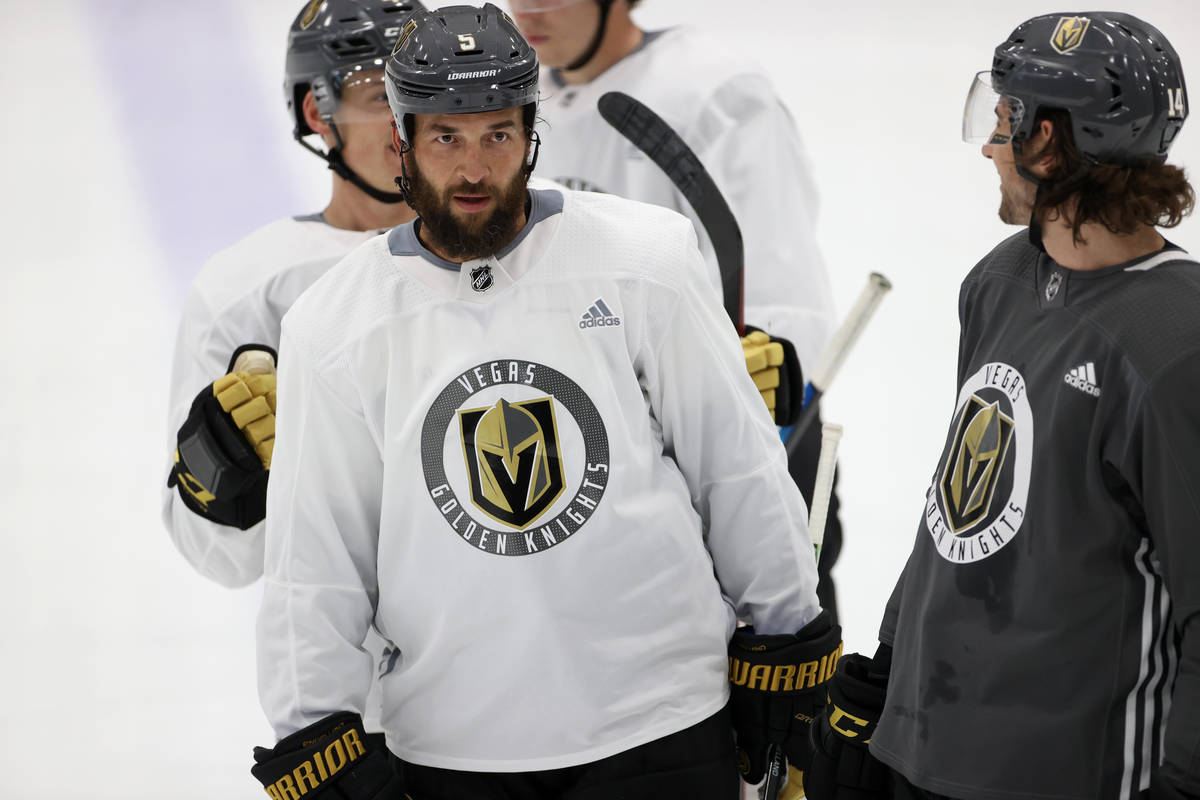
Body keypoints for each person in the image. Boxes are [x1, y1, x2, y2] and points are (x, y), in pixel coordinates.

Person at [250, 6, 840, 800]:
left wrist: (787, 641)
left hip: (662, 727)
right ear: (405, 139)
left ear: (532, 133)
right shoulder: (334, 324)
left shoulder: (645, 259)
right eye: (446, 138)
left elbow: (735, 471)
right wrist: (316, 733)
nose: (472, 169)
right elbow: (314, 564)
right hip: (456, 752)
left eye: (497, 135)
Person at [805, 12, 1199, 800]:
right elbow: (958, 511)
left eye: (1003, 121)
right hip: (925, 750)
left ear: (1049, 142)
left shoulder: (1176, 344)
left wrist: (1184, 786)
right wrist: (889, 675)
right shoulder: (1002, 281)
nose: (989, 146)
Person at [507, 0, 845, 623]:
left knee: (778, 677)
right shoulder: (513, 101)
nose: (528, 8)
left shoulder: (710, 87)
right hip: (602, 450)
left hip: (738, 430)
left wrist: (762, 426)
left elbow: (775, 279)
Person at [163, 0, 420, 588]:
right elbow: (219, 557)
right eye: (384, 97)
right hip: (374, 662)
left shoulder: (522, 238)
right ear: (318, 111)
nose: (413, 117)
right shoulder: (246, 289)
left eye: (423, 88)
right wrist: (229, 465)